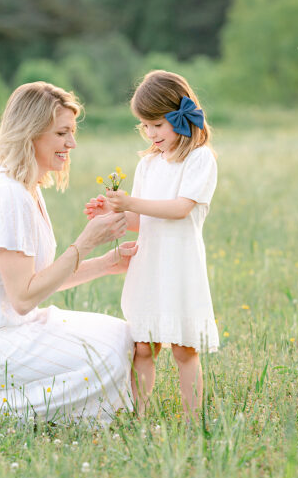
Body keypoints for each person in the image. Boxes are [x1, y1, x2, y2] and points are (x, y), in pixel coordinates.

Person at [0, 81, 136, 425]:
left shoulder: (27, 189)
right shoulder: (8, 196)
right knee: (106, 360)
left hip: (8, 325)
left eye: (71, 132)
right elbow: (24, 298)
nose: (71, 143)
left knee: (120, 337)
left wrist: (107, 263)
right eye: (61, 133)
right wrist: (85, 243)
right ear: (32, 134)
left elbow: (37, 280)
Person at [86, 70, 218, 417]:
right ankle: (139, 415)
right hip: (150, 265)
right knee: (143, 347)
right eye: (145, 126)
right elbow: (141, 220)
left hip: (179, 265)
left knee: (184, 350)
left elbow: (179, 209)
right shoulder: (148, 164)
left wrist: (130, 202)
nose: (150, 133)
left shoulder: (199, 159)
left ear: (179, 115)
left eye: (157, 124)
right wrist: (111, 211)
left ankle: (193, 420)